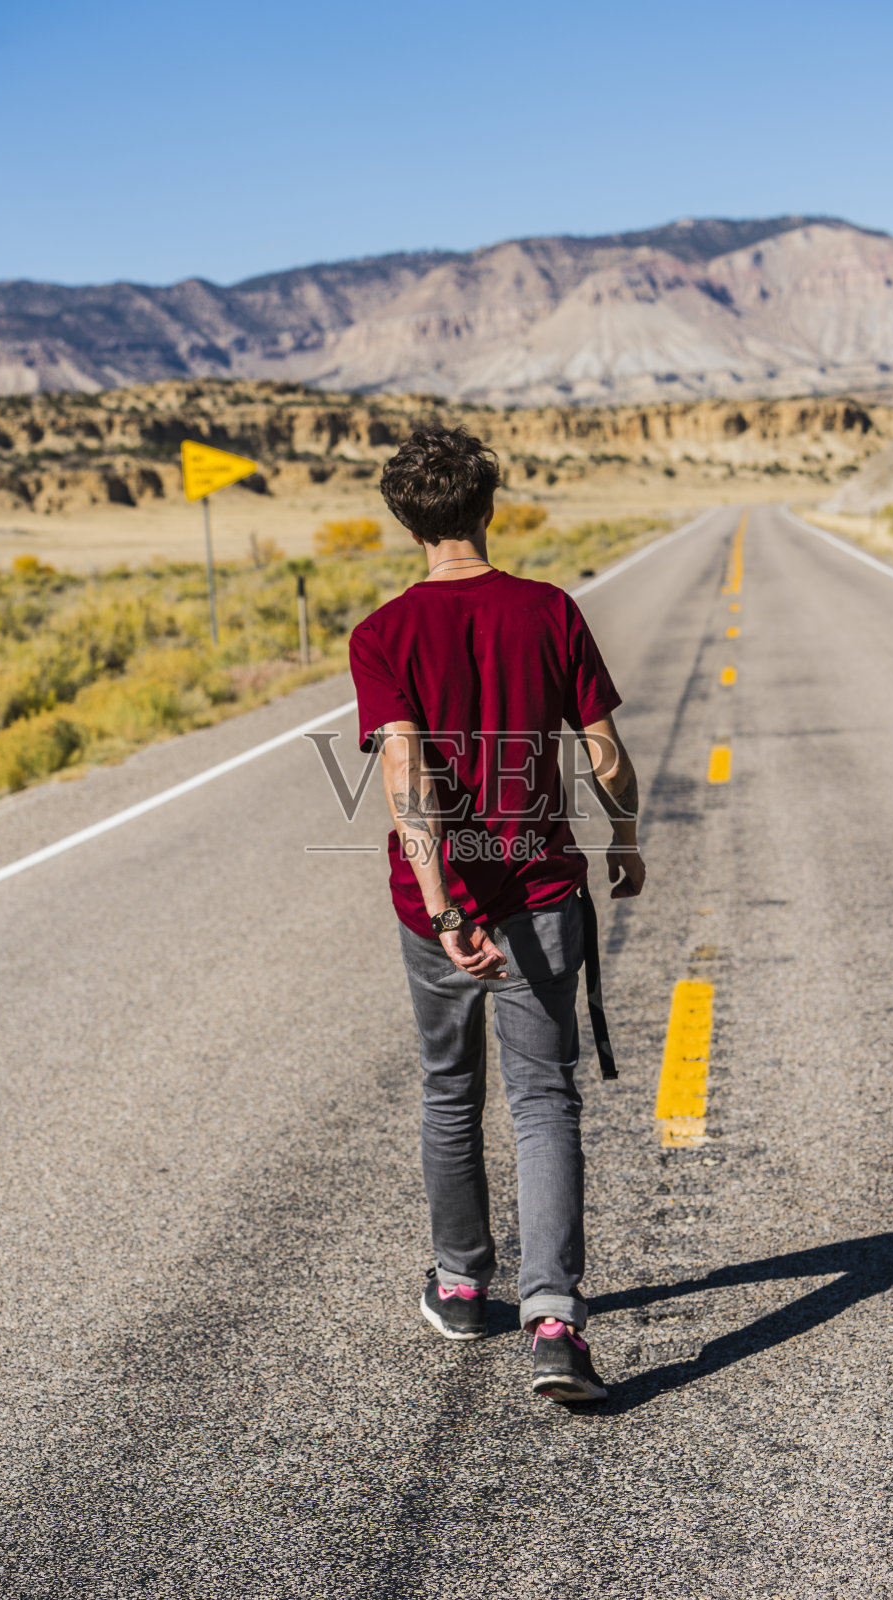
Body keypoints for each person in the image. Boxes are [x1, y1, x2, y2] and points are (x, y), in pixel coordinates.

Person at [348, 427, 645, 1404]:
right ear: (488, 506)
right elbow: (600, 749)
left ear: (406, 521)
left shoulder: (382, 635)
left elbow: (404, 770)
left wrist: (442, 910)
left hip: (437, 901)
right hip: (544, 887)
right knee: (544, 1096)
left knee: (447, 1089)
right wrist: (625, 833)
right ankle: (554, 1319)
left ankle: (463, 1282)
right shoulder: (547, 610)